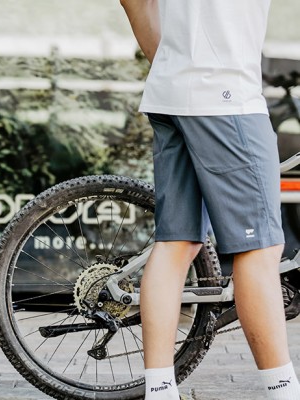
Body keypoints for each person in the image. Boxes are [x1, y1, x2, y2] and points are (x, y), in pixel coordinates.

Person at [119, 1, 300, 399]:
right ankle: (283, 390)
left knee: (177, 242)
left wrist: (169, 61)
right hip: (225, 97)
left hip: (172, 91)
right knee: (260, 249)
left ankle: (160, 390)